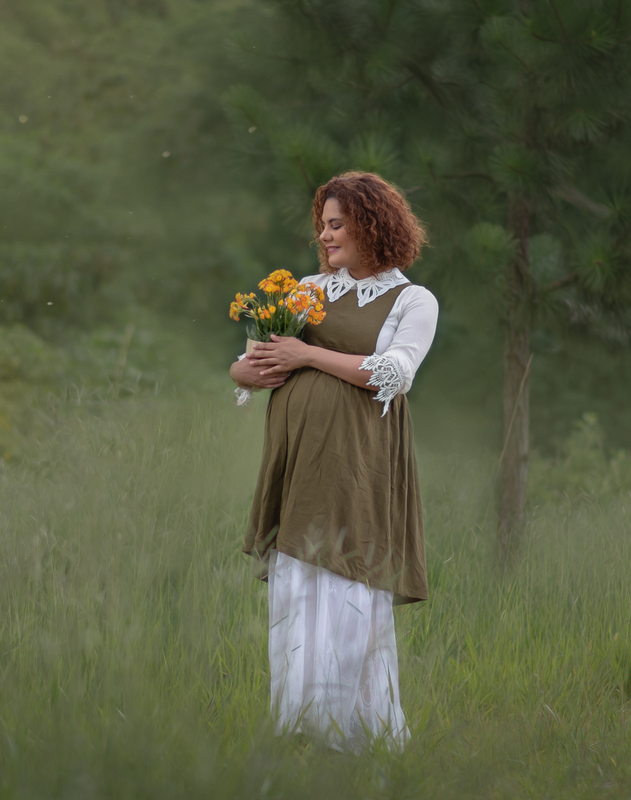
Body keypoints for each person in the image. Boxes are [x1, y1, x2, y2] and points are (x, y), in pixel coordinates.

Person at [229, 171, 438, 751]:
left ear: (372, 224)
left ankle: (351, 737)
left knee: (350, 595)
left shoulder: (412, 300)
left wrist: (308, 355)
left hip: (358, 468)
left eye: (337, 224)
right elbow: (250, 365)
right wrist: (247, 370)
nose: (325, 236)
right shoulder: (306, 289)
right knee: (298, 595)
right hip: (299, 469)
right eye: (323, 225)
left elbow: (394, 375)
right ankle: (298, 730)